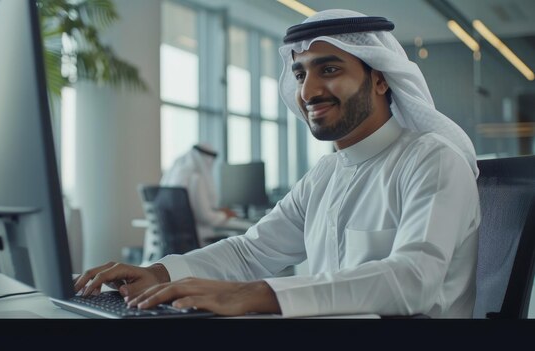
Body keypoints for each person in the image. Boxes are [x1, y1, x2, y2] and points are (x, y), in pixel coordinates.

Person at [74, 9, 481, 318]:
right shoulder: (325, 174)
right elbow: (251, 253)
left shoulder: (433, 160)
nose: (310, 90)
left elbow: (413, 279)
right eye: (301, 74)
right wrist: (162, 275)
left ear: (380, 79)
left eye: (330, 69)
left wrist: (253, 294)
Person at [159, 144, 237, 246]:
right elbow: (205, 217)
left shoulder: (174, 176)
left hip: (175, 242)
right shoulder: (196, 178)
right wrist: (225, 215)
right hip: (198, 240)